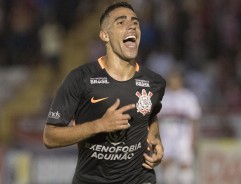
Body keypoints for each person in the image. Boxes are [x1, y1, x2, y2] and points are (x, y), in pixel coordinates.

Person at [43, 2, 166, 184]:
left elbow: (150, 115)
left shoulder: (154, 82)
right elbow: (50, 137)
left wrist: (155, 137)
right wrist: (99, 125)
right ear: (104, 35)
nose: (131, 25)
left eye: (135, 22)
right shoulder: (80, 79)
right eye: (121, 22)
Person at [156, 67, 202, 184]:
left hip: (183, 137)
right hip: (167, 136)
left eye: (176, 78)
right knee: (166, 165)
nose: (174, 81)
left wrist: (194, 138)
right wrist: (157, 139)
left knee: (185, 166)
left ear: (181, 80)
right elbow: (156, 121)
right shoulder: (163, 97)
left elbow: (195, 120)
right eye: (172, 78)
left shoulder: (188, 97)